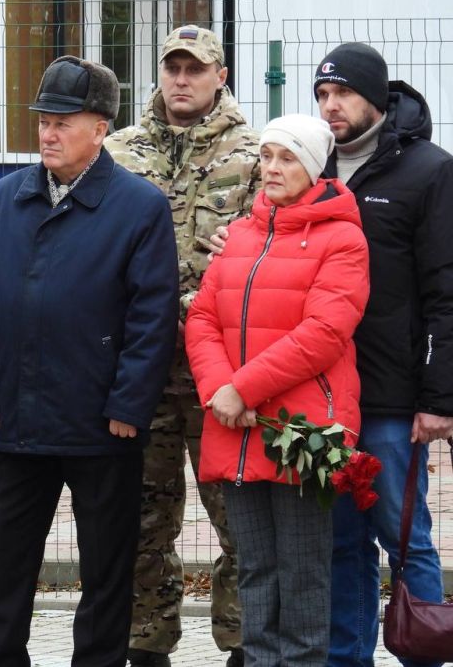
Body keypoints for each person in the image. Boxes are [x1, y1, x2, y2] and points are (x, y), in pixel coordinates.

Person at [0, 55, 179, 666]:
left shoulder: (139, 207)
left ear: (101, 128)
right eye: (42, 121)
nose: (48, 134)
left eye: (64, 121)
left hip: (103, 425)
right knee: (6, 567)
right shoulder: (2, 201)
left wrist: (130, 404)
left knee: (107, 572)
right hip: (21, 423)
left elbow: (151, 318)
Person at [186, 114, 370, 666]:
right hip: (235, 427)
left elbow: (324, 333)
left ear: (313, 167)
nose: (271, 168)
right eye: (266, 156)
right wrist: (220, 389)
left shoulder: (343, 240)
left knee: (304, 573)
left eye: (286, 158)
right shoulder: (241, 233)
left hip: (298, 433)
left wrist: (241, 390)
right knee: (255, 569)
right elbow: (202, 319)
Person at [105, 24, 257, 667]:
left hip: (220, 369)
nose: (182, 79)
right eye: (173, 67)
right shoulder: (118, 151)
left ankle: (245, 642)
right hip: (140, 368)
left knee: (240, 517)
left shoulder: (255, 154)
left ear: (220, 76)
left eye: (196, 69)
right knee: (142, 515)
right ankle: (146, 641)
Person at [312, 43, 453, 667]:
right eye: (320, 95)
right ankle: (348, 659)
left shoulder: (429, 171)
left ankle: (426, 653)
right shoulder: (315, 171)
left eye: (341, 93)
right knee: (341, 544)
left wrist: (439, 399)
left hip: (395, 403)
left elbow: (446, 291)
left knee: (406, 541)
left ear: (376, 97)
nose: (330, 106)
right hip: (325, 402)